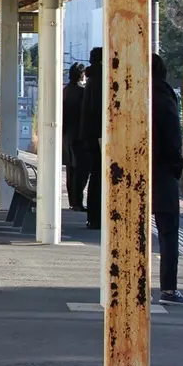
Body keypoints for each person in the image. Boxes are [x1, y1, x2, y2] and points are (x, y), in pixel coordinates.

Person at [151, 53, 183, 307]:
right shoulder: (164, 97)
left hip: (137, 171)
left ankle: (132, 284)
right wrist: (177, 165)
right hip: (163, 174)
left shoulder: (136, 94)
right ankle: (168, 289)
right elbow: (172, 139)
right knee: (168, 232)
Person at [80, 47, 104, 229]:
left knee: (94, 176)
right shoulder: (101, 80)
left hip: (90, 136)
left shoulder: (91, 80)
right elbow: (99, 111)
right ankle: (96, 217)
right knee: (98, 177)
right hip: (98, 137)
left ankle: (93, 216)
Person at [63, 62, 87, 211]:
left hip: (67, 135)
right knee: (82, 169)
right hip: (79, 135)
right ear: (82, 75)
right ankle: (78, 201)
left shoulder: (65, 90)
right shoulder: (82, 92)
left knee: (71, 169)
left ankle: (73, 200)